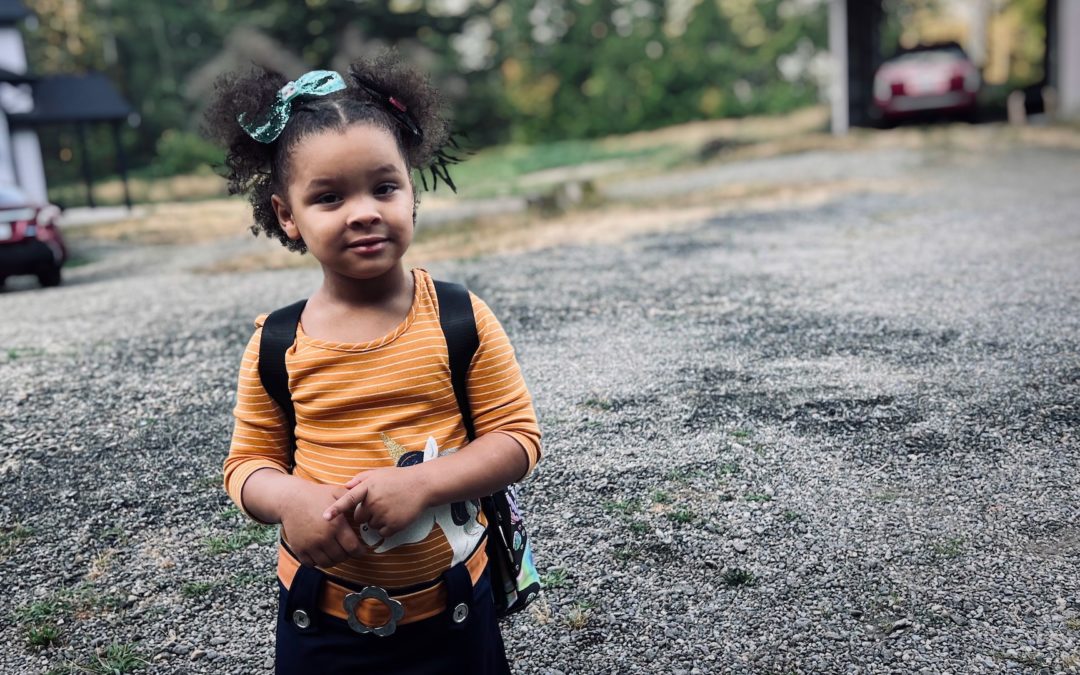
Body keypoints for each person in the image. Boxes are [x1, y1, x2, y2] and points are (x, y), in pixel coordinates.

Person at [206, 53, 542, 674]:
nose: (364, 211)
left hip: (455, 613)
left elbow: (518, 441)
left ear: (411, 192)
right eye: (329, 197)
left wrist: (421, 484)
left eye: (383, 187)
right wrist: (288, 501)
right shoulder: (279, 341)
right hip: (322, 619)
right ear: (288, 216)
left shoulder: (458, 318)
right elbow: (246, 464)